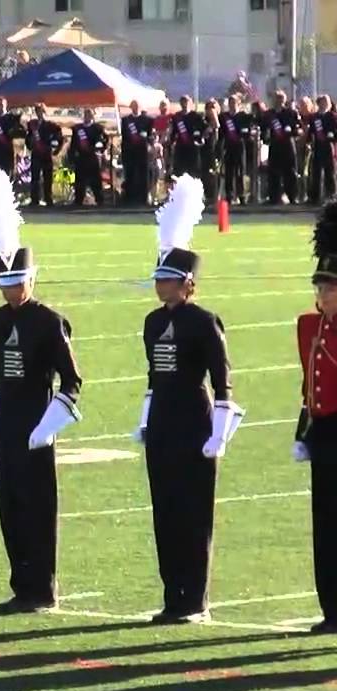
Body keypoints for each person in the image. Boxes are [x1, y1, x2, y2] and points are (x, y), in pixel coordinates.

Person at [131, 175, 242, 625]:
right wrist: (145, 420)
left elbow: (222, 382)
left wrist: (219, 435)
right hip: (162, 423)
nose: (161, 286)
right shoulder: (152, 323)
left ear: (188, 284)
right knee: (165, 512)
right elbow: (153, 379)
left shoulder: (203, 321)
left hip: (195, 423)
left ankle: (194, 599)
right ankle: (171, 596)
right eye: (159, 278)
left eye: (169, 280)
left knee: (194, 514)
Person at [0, 170, 82, 613]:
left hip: (38, 420)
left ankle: (43, 587)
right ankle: (21, 585)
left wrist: (50, 424)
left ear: (32, 279)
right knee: (10, 507)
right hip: (9, 424)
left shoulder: (48, 321)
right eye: (5, 283)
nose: (12, 291)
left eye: (18, 282)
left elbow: (72, 381)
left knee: (39, 508)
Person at [295, 202, 337, 634]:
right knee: (324, 526)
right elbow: (308, 384)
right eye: (320, 288)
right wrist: (301, 430)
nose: (322, 294)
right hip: (323, 432)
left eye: (331, 288)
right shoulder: (310, 327)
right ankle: (332, 609)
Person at [261, 89, 302, 204]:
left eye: (280, 98)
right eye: (276, 98)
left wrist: (292, 131)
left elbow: (297, 129)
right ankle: (274, 197)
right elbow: (264, 129)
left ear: (284, 100)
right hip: (274, 145)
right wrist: (266, 137)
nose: (278, 101)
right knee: (273, 172)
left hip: (288, 145)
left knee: (290, 171)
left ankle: (292, 196)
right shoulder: (269, 114)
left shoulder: (290, 113)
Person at [219, 94, 254, 206]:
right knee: (229, 172)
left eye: (234, 102)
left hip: (240, 146)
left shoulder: (244, 116)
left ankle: (241, 196)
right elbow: (221, 133)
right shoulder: (224, 117)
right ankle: (229, 195)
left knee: (240, 172)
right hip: (229, 147)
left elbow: (248, 130)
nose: (232, 105)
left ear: (238, 103)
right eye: (230, 103)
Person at [26, 103, 63, 208]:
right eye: (37, 111)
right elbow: (28, 138)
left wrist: (56, 150)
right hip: (36, 154)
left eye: (41, 111)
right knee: (35, 178)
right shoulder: (32, 125)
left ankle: (48, 199)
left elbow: (59, 138)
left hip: (46, 154)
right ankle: (34, 200)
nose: (39, 113)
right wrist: (30, 145)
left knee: (48, 178)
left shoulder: (51, 126)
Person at [69, 107, 106, 206]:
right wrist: (72, 159)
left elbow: (103, 141)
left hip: (92, 158)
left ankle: (100, 201)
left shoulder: (97, 128)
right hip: (81, 159)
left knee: (96, 182)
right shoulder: (77, 129)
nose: (87, 117)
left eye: (89, 115)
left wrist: (100, 149)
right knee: (80, 182)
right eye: (86, 114)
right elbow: (73, 145)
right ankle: (78, 201)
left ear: (92, 116)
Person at [120, 100, 154, 206]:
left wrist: (148, 140)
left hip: (142, 151)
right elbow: (124, 136)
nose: (135, 108)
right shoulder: (126, 120)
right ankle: (129, 198)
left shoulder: (147, 120)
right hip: (129, 152)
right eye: (133, 106)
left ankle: (144, 198)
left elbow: (151, 136)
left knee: (144, 175)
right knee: (129, 174)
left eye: (137, 106)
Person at [307, 95, 337, 205]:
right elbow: (311, 131)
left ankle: (331, 196)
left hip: (328, 145)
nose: (324, 104)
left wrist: (332, 135)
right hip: (318, 146)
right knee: (316, 172)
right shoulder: (314, 117)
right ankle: (315, 197)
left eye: (326, 102)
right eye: (322, 102)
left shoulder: (332, 116)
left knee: (330, 172)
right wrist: (308, 141)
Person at [170, 95, 205, 179]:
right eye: (182, 101)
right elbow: (173, 132)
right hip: (181, 148)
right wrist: (171, 142)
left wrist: (202, 138)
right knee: (179, 172)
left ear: (190, 102)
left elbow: (205, 128)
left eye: (186, 101)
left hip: (193, 147)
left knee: (193, 172)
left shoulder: (196, 116)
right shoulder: (176, 117)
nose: (184, 103)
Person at [0, 97, 23, 175]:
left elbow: (19, 133)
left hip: (7, 151)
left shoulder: (11, 118)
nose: (0, 106)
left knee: (8, 173)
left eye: (2, 104)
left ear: (6, 105)